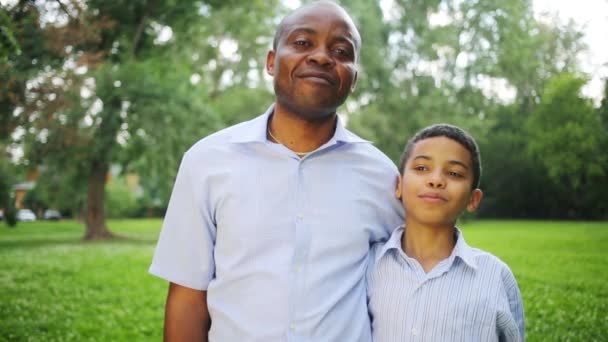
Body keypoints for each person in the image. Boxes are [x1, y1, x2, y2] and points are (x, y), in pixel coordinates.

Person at [149, 1, 404, 341]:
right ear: (272, 61)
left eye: (341, 50)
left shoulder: (382, 176)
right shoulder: (207, 161)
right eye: (302, 43)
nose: (322, 57)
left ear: (353, 78)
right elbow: (187, 300)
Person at [367, 124, 525, 341]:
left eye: (454, 173)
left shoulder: (495, 276)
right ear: (399, 185)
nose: (436, 180)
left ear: (473, 199)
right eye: (422, 168)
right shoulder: (368, 265)